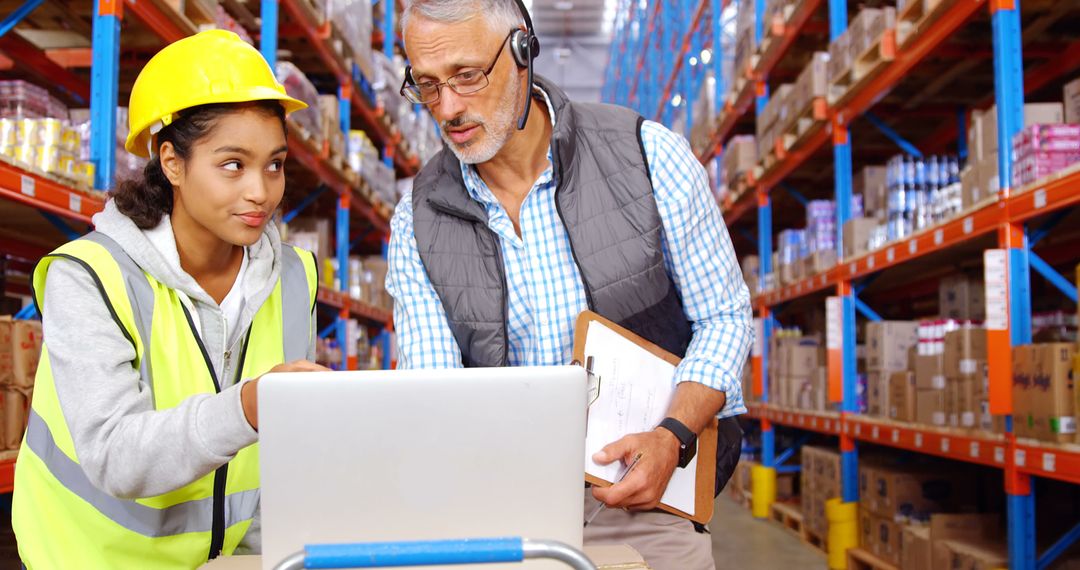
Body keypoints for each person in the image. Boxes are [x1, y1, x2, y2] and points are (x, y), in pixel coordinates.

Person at [386, 1, 753, 569]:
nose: (448, 108)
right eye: (427, 85)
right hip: (503, 506)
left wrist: (672, 437)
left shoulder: (647, 156)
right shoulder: (418, 219)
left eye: (467, 75)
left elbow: (724, 318)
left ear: (523, 52)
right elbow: (434, 387)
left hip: (647, 503)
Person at [12, 30, 329, 569]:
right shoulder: (90, 275)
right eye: (233, 164)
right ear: (172, 162)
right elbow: (114, 454)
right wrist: (248, 407)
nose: (261, 190)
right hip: (89, 558)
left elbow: (279, 460)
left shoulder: (295, 276)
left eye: (274, 165)